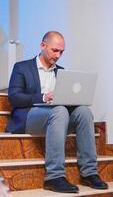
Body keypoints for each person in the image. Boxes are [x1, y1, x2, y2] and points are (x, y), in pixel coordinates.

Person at [6, 31, 108, 193]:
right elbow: (15, 98)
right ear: (42, 45)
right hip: (29, 117)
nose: (58, 55)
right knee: (59, 111)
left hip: (57, 119)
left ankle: (89, 173)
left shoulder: (61, 71)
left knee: (84, 111)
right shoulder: (22, 67)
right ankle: (54, 176)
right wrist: (44, 97)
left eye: (61, 52)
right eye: (55, 50)